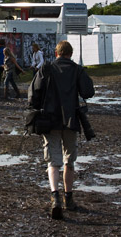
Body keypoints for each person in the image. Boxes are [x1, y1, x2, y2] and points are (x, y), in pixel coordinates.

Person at [28, 40, 95, 220]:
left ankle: (54, 196)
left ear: (56, 53)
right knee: (69, 160)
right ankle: (69, 197)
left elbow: (33, 93)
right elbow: (88, 91)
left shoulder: (47, 68)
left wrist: (37, 108)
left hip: (49, 120)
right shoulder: (77, 69)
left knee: (52, 161)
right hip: (71, 120)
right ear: (70, 54)